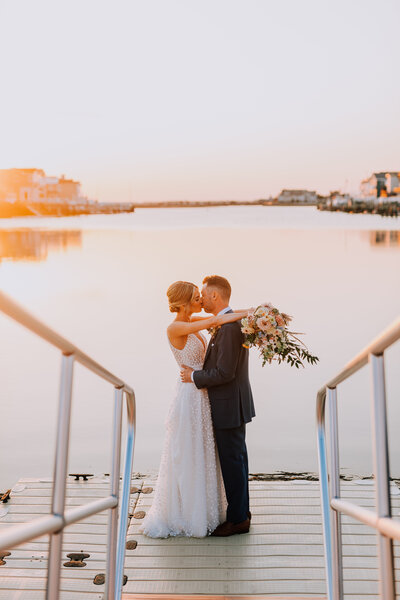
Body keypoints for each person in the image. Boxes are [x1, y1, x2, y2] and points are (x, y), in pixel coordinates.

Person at [141, 280, 247, 538]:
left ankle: (207, 508)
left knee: (203, 452)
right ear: (186, 301)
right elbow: (214, 322)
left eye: (201, 295)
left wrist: (254, 313)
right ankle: (186, 511)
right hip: (189, 395)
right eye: (197, 296)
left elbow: (221, 318)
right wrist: (250, 313)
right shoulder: (176, 326)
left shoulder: (192, 318)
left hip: (202, 393)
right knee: (187, 450)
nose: (201, 299)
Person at [180, 275, 255, 536]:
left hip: (228, 405)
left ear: (215, 296)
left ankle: (238, 520)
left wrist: (193, 377)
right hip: (231, 403)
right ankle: (241, 511)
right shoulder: (227, 323)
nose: (201, 298)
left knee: (233, 462)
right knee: (237, 460)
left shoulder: (230, 329)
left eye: (204, 294)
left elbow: (224, 373)